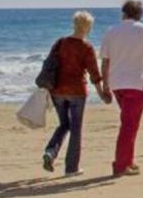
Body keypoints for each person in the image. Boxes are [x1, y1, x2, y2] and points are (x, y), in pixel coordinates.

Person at [99, 0, 143, 177]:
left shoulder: (111, 31)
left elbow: (105, 61)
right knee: (129, 125)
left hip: (117, 85)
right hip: (134, 84)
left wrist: (105, 85)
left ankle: (128, 161)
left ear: (123, 12)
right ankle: (120, 165)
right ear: (140, 14)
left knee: (129, 123)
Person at [41, 10, 112, 175]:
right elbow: (94, 74)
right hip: (77, 92)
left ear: (74, 24)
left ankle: (50, 152)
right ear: (88, 27)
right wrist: (102, 94)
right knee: (76, 128)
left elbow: (49, 65)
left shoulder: (60, 43)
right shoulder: (86, 47)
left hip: (57, 90)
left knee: (64, 124)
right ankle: (71, 168)